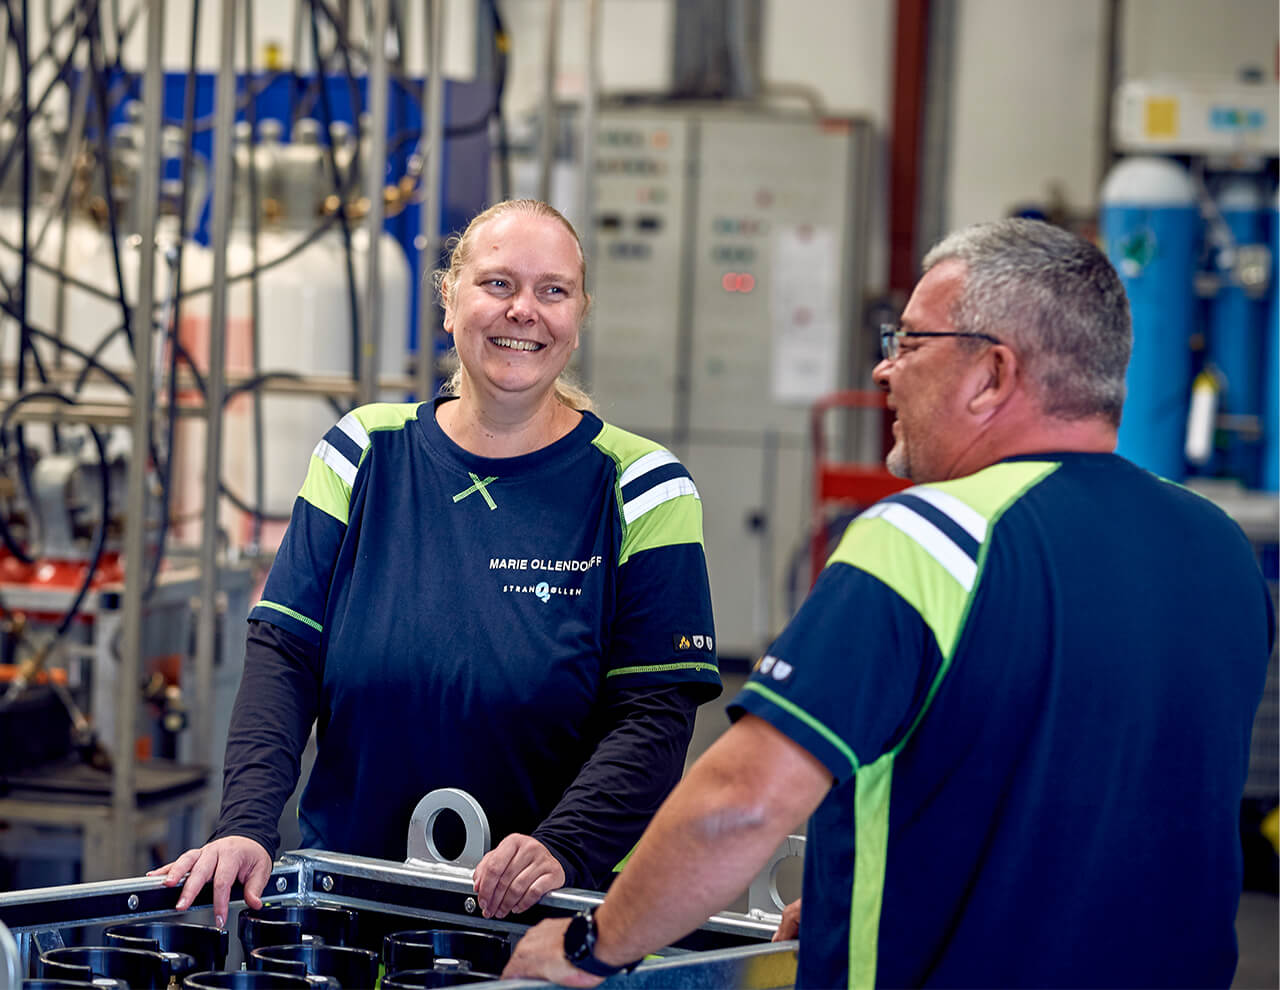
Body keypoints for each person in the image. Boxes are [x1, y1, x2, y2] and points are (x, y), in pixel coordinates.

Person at [503, 218, 1275, 988]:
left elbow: (739, 803)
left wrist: (589, 945)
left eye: (908, 343)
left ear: (993, 375)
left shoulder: (931, 538)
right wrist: (860, 894)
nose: (884, 372)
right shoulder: (1218, 550)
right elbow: (1090, 787)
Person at [150, 198, 722, 929]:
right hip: (349, 898)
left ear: (578, 316)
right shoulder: (363, 451)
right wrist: (246, 824)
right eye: (497, 284)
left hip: (544, 913)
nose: (525, 310)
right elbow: (285, 655)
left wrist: (561, 847)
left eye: (553, 290)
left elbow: (654, 715)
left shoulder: (641, 484)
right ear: (450, 301)